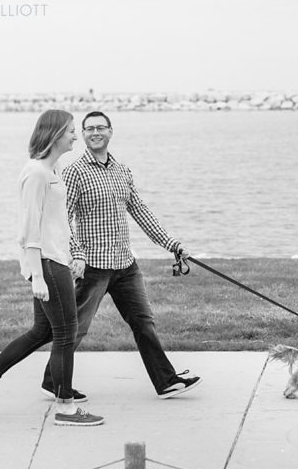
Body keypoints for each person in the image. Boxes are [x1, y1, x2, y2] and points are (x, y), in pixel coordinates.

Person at [39, 110, 202, 400]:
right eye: (89, 129)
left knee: (143, 322)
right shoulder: (75, 172)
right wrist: (77, 253)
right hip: (94, 267)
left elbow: (139, 210)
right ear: (83, 135)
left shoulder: (122, 170)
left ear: (111, 132)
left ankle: (166, 382)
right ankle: (54, 381)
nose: (95, 132)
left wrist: (172, 244)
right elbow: (63, 218)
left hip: (126, 265)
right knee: (76, 328)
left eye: (101, 127)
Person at [0, 109, 104, 426]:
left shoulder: (53, 170)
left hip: (55, 260)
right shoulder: (36, 174)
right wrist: (38, 277)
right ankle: (66, 408)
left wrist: (72, 255)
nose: (75, 135)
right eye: (71, 130)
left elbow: (56, 223)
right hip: (47, 264)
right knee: (66, 334)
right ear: (55, 134)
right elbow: (29, 231)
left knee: (43, 331)